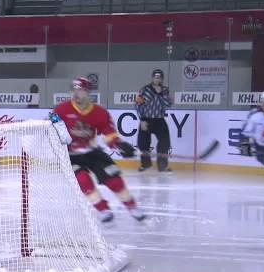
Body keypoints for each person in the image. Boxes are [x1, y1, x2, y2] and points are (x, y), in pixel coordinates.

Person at [51, 77, 146, 223]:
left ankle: (132, 207)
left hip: (93, 153)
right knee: (83, 180)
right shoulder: (60, 110)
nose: (76, 94)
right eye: (74, 90)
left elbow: (109, 134)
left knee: (115, 181)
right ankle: (103, 209)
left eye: (80, 90)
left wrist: (119, 145)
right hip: (70, 156)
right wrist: (59, 141)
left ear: (88, 92)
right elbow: (51, 129)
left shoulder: (100, 113)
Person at [135, 69, 173, 172]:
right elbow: (138, 105)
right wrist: (142, 120)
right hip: (146, 119)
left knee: (165, 142)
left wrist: (160, 94)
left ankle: (162, 166)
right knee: (143, 143)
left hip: (159, 120)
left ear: (162, 78)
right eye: (156, 77)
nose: (157, 79)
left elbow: (169, 103)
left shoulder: (165, 90)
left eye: (159, 77)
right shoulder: (145, 89)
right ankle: (145, 164)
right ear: (152, 78)